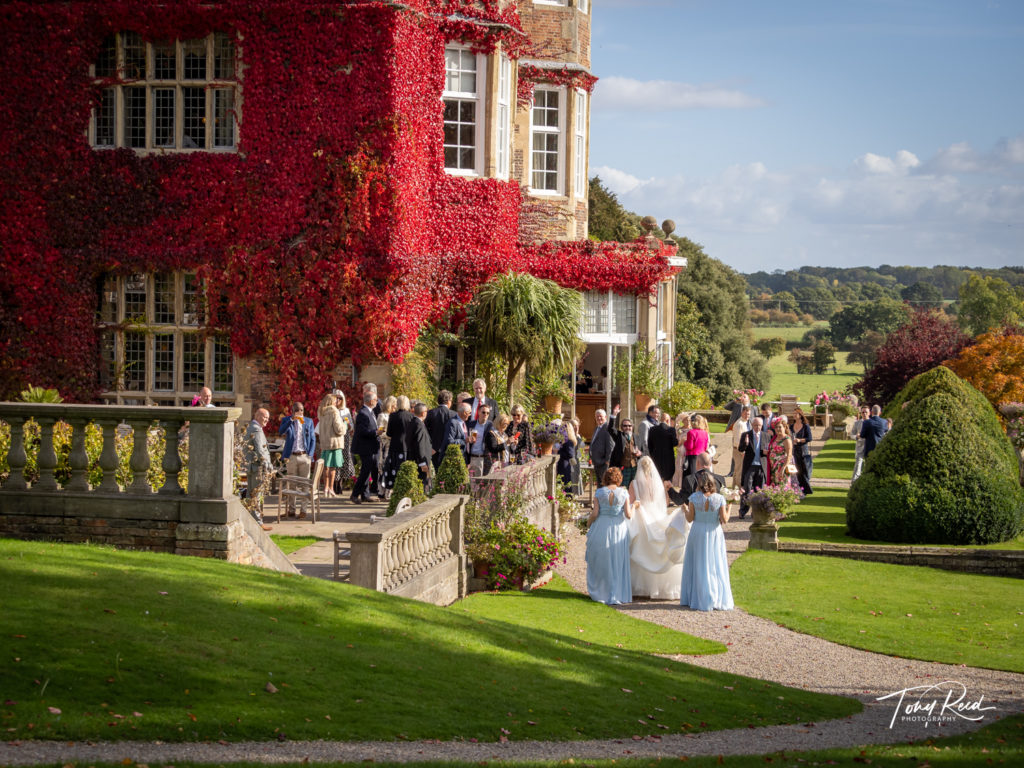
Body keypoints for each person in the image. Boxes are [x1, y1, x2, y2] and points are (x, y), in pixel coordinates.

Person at [627, 456, 687, 600]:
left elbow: (630, 502)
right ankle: (662, 587)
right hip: (657, 515)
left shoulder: (634, 483)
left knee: (642, 548)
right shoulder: (658, 483)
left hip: (642, 516)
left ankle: (642, 587)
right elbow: (665, 502)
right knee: (661, 547)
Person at [679, 471, 734, 612]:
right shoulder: (719, 499)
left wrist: (685, 509)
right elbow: (725, 520)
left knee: (698, 563)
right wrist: (730, 507)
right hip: (714, 532)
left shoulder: (694, 498)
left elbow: (690, 518)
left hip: (698, 532)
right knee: (715, 564)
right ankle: (715, 596)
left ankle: (696, 597)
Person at [584, 467, 633, 605]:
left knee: (601, 560)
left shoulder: (600, 492)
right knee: (617, 560)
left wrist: (587, 524)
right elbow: (628, 515)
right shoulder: (623, 493)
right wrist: (634, 507)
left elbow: (594, 514)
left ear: (605, 478)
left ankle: (601, 591)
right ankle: (616, 591)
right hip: (618, 528)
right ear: (619, 478)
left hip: (602, 526)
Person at [279, 401, 316, 517]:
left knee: (305, 483)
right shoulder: (287, 420)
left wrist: (310, 455)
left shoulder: (308, 422)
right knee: (292, 484)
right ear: (292, 411)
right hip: (292, 456)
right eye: (297, 410)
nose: (300, 412)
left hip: (304, 456)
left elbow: (313, 439)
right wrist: (291, 420)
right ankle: (291, 509)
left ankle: (303, 510)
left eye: (301, 410)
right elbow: (281, 432)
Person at [242, 408, 273, 530]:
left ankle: (250, 521)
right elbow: (261, 451)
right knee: (256, 494)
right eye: (264, 417)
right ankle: (258, 523)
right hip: (257, 468)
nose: (266, 420)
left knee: (251, 494)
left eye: (268, 418)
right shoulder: (257, 430)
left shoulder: (250, 427)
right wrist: (268, 466)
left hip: (251, 467)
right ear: (257, 415)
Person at [350, 390, 381, 504]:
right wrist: (376, 432)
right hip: (365, 447)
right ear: (371, 401)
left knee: (367, 472)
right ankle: (354, 494)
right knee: (365, 472)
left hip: (370, 446)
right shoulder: (363, 413)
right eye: (376, 400)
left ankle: (365, 494)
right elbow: (362, 431)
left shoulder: (370, 412)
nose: (377, 402)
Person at [382, 395, 414, 493]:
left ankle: (394, 490)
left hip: (395, 447)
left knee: (394, 470)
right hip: (407, 447)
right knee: (406, 470)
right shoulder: (411, 416)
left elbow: (389, 433)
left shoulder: (393, 416)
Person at [737, 417, 768, 519]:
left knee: (759, 490)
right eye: (755, 425)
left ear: (762, 425)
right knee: (747, 489)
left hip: (761, 466)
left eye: (759, 425)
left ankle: (756, 511)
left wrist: (766, 453)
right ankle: (743, 511)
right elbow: (740, 449)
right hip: (750, 466)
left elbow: (769, 450)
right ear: (752, 425)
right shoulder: (746, 435)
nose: (757, 427)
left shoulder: (766, 436)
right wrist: (745, 443)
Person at [317, 392, 346, 498]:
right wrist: (345, 425)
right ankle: (331, 488)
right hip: (335, 443)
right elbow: (339, 429)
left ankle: (325, 488)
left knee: (325, 467)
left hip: (325, 443)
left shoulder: (321, 412)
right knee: (333, 467)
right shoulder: (334, 412)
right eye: (335, 400)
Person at [426, 390, 457, 470]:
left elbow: (425, 431)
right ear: (449, 401)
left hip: (433, 449)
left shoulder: (430, 413)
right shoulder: (454, 414)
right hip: (449, 449)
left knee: (437, 473)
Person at [406, 402, 433, 490]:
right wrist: (422, 462)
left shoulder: (412, 422)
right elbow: (419, 444)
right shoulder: (418, 425)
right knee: (421, 484)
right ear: (423, 413)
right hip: (419, 461)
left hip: (414, 459)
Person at [646, 411, 677, 483]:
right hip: (668, 459)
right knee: (668, 481)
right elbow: (675, 443)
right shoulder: (671, 430)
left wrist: (652, 455)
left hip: (656, 457)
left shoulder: (652, 429)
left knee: (656, 479)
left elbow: (649, 444)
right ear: (667, 420)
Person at [589, 407, 615, 487]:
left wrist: (607, 461)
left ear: (605, 417)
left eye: (601, 416)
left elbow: (611, 446)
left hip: (604, 464)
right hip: (597, 463)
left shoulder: (607, 428)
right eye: (597, 416)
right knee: (600, 486)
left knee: (606, 485)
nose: (599, 418)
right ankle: (600, 499)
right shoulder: (597, 428)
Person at [766, 419, 796, 488]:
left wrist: (783, 468)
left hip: (782, 467)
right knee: (774, 486)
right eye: (776, 427)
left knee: (782, 486)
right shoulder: (775, 438)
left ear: (784, 427)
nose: (778, 429)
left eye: (780, 427)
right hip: (773, 467)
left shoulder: (786, 439)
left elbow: (789, 455)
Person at [790, 410, 814, 496]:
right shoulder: (791, 426)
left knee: (803, 470)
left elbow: (809, 438)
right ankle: (797, 489)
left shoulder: (805, 426)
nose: (794, 415)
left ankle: (806, 489)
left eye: (795, 413)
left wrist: (800, 440)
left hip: (803, 450)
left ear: (800, 415)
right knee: (795, 470)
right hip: (793, 450)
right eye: (793, 413)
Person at [467, 404, 495, 475]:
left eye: (487, 413)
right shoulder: (471, 424)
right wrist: (468, 439)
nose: (485, 414)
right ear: (479, 412)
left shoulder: (490, 426)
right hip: (470, 458)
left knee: (479, 482)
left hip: (482, 458)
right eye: (483, 412)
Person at [613, 416, 641, 487]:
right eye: (625, 426)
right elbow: (611, 429)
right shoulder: (619, 436)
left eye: (629, 426)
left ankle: (632, 498)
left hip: (635, 467)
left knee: (635, 487)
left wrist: (640, 453)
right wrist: (613, 416)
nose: (627, 427)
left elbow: (643, 450)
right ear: (621, 427)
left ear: (632, 427)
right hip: (624, 467)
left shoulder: (637, 437)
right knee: (624, 487)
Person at [730, 405, 752, 489]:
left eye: (749, 414)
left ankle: (734, 487)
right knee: (739, 470)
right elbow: (738, 440)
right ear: (742, 413)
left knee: (737, 470)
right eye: (746, 414)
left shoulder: (744, 422)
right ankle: (739, 488)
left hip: (739, 449)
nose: (747, 416)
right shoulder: (739, 424)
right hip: (738, 450)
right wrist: (742, 452)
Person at [555, 417, 578, 494]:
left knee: (565, 483)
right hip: (562, 464)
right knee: (562, 483)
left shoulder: (569, 441)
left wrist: (558, 452)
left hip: (565, 465)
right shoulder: (563, 440)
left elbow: (570, 454)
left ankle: (568, 499)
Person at [683, 414, 710, 478]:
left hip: (693, 456)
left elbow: (690, 447)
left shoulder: (691, 432)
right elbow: (706, 446)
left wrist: (685, 442)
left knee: (692, 474)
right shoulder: (705, 433)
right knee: (700, 474)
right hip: (702, 455)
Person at [671, 413, 691, 488]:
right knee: (679, 468)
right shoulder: (679, 430)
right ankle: (679, 484)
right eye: (686, 420)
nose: (688, 421)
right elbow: (676, 444)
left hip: (689, 453)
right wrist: (681, 441)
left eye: (689, 420)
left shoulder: (692, 430)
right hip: (680, 452)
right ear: (683, 421)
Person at [851, 405, 870, 480]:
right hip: (859, 447)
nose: (864, 414)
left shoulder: (871, 423)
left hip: (869, 447)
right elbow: (851, 435)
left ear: (869, 413)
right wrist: (856, 436)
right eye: (863, 412)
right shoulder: (857, 423)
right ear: (861, 413)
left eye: (866, 412)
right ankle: (854, 483)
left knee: (868, 466)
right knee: (858, 466)